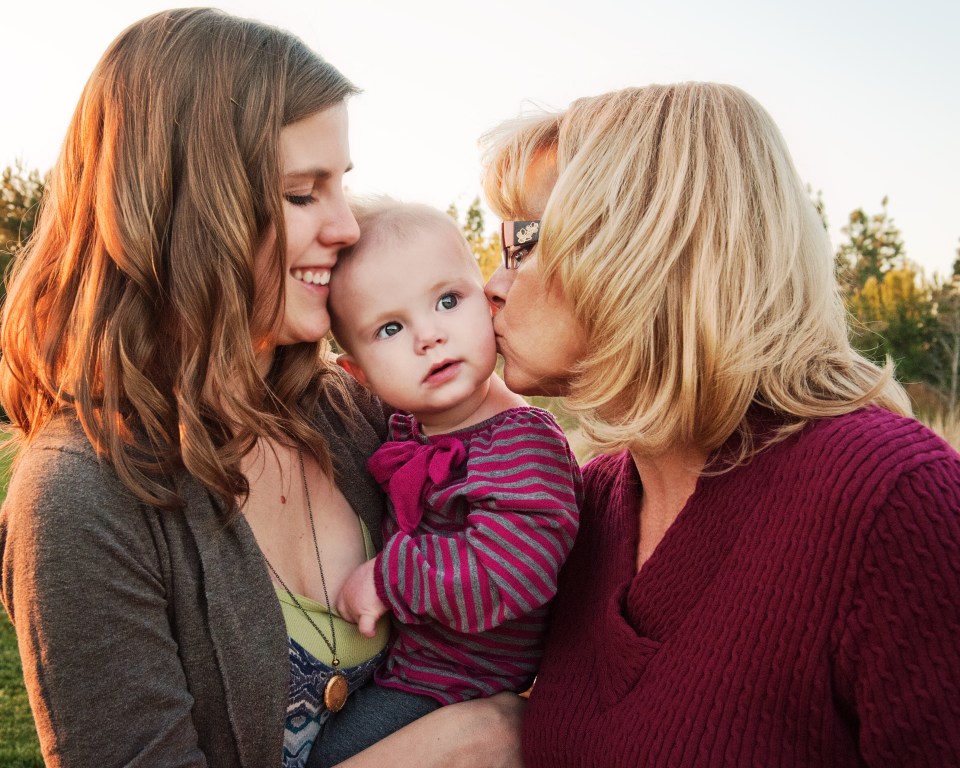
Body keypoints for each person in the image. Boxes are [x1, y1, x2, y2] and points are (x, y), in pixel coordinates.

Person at [0, 9, 521, 768]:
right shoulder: (83, 500)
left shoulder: (350, 412)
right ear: (182, 212)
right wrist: (471, 743)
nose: (345, 227)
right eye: (303, 194)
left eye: (340, 185)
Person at [481, 82, 960, 766]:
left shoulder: (892, 501)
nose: (493, 283)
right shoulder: (584, 504)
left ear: (651, 247)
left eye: (524, 242)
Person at [307, 198, 580, 767]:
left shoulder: (522, 444)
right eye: (389, 328)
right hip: (411, 671)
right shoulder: (408, 425)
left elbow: (512, 571)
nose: (428, 336)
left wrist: (389, 578)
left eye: (448, 301)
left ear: (488, 302)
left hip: (456, 689)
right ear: (356, 373)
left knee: (326, 758)